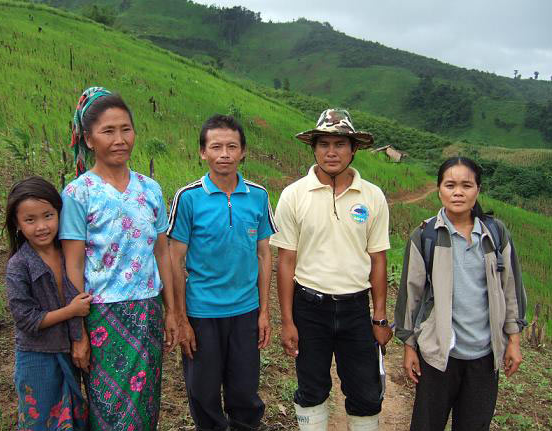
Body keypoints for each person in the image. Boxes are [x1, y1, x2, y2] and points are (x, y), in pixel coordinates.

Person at [59, 87, 178, 430]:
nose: (119, 139)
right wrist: (78, 332)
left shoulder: (150, 189)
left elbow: (163, 253)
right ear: (88, 139)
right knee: (108, 408)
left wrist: (172, 310)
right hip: (101, 316)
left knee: (145, 405)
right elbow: (73, 266)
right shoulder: (78, 193)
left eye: (126, 129)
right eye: (108, 131)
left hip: (147, 312)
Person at [271, 109, 392, 431]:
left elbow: (378, 258)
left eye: (340, 144)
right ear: (314, 148)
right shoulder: (294, 195)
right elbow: (286, 260)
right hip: (309, 307)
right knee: (311, 390)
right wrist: (287, 321)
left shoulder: (372, 196)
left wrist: (380, 317)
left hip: (356, 308)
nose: (331, 152)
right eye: (324, 144)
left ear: (354, 149)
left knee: (365, 393)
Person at [394, 156, 527, 431]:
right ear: (439, 189)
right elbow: (410, 294)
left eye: (466, 185)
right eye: (450, 185)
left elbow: (511, 288)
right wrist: (409, 346)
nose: (458, 192)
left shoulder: (495, 234)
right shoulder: (425, 236)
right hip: (437, 356)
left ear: (478, 189)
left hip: (484, 356)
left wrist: (513, 339)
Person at [168, 114, 277, 431]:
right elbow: (175, 260)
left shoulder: (258, 195)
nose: (225, 154)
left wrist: (264, 312)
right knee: (203, 392)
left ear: (243, 151)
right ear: (203, 152)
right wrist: (181, 319)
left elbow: (263, 254)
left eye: (232, 146)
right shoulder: (188, 198)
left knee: (245, 390)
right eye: (216, 147)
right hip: (201, 313)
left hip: (245, 310)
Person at [5, 176, 90, 431]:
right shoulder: (19, 265)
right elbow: (26, 319)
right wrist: (70, 311)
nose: (41, 227)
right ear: (17, 224)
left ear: (59, 214)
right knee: (40, 420)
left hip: (67, 351)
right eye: (30, 220)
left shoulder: (69, 254)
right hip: (37, 356)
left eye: (48, 216)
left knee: (72, 418)